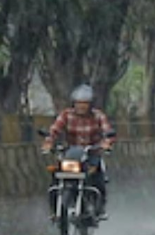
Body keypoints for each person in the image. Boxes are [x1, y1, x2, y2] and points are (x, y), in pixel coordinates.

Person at [42, 84, 116, 220]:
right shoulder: (66, 115)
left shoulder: (98, 116)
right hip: (71, 154)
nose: (81, 106)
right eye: (79, 103)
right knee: (55, 178)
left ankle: (100, 208)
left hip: (91, 154)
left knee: (99, 179)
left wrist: (106, 143)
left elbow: (108, 132)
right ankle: (55, 210)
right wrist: (49, 142)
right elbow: (54, 130)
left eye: (85, 104)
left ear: (91, 104)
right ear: (73, 103)